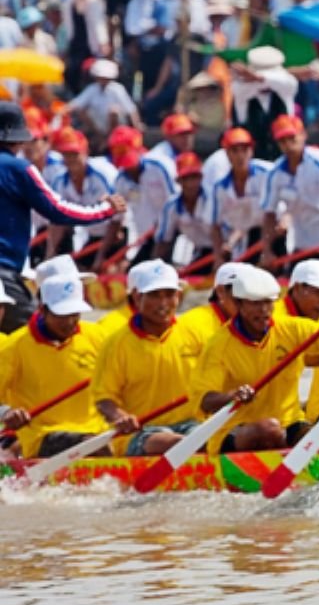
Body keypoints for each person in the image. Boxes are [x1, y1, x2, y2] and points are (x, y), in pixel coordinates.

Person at [190, 267, 319, 453]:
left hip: (290, 421)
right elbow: (204, 400)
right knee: (269, 429)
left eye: (268, 303)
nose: (263, 311)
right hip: (235, 429)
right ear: (239, 304)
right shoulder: (218, 346)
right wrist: (232, 396)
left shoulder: (291, 328)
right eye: (255, 303)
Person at [94, 261, 204, 457]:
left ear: (178, 296)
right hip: (141, 431)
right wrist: (120, 417)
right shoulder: (116, 344)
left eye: (170, 294)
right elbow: (104, 399)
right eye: (154, 295)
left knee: (209, 440)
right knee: (177, 443)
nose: (163, 303)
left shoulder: (195, 334)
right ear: (136, 296)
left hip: (191, 425)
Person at [0, 274, 107, 458]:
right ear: (42, 310)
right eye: (62, 315)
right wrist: (7, 412)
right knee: (95, 446)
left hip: (100, 430)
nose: (70, 322)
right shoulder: (15, 346)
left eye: (75, 314)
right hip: (42, 435)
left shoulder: (98, 336)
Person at [259, 115, 319, 265]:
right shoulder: (275, 173)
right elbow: (269, 214)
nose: (288, 145)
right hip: (300, 240)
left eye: (292, 138)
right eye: (282, 141)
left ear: (303, 135)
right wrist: (267, 249)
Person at [46, 128, 124, 269]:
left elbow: (117, 217)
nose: (70, 159)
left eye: (74, 154)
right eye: (66, 154)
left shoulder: (103, 174)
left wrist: (101, 256)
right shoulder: (60, 181)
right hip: (90, 234)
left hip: (117, 233)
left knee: (112, 271)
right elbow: (57, 221)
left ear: (86, 153)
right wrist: (49, 254)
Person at [209, 128, 271, 268]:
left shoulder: (268, 174)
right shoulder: (221, 187)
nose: (240, 155)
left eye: (244, 149)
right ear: (226, 153)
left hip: (276, 236)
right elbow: (215, 226)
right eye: (234, 150)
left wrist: (268, 248)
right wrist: (219, 256)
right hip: (246, 240)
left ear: (251, 151)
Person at [110, 126, 175, 260]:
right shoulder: (120, 180)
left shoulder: (160, 167)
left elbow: (176, 203)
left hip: (172, 233)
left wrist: (163, 225)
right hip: (145, 236)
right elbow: (116, 219)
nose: (129, 168)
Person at [154, 153, 213, 266]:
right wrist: (156, 267)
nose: (191, 184)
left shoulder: (214, 199)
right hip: (200, 252)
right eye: (186, 179)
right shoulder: (171, 206)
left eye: (194, 178)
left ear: (201, 178)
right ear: (179, 181)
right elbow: (163, 241)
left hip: (228, 251)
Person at [63, 59, 141, 138]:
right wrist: (61, 111)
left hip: (118, 127)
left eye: (105, 77)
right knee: (81, 110)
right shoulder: (92, 89)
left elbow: (131, 110)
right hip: (98, 127)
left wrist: (136, 130)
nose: (103, 80)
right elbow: (76, 104)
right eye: (101, 77)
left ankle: (111, 138)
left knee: (113, 111)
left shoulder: (118, 89)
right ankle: (100, 138)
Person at [177, 262, 248, 342]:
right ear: (221, 291)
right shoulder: (193, 325)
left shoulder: (253, 327)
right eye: (240, 293)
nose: (247, 302)